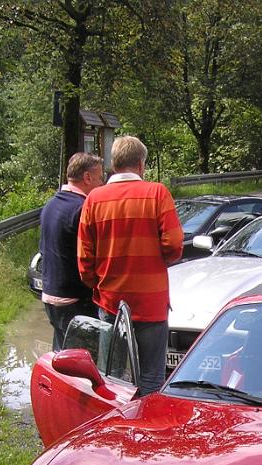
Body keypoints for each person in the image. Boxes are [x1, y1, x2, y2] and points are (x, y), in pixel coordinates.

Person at [77, 136, 183, 395]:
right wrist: (154, 262)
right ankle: (146, 427)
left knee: (110, 375)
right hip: (151, 303)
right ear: (141, 164)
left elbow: (84, 259)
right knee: (151, 376)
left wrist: (99, 283)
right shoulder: (157, 193)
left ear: (114, 164)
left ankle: (114, 427)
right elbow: (175, 245)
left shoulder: (94, 200)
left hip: (110, 301)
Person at [39, 152, 104, 350]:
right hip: (76, 300)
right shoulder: (83, 208)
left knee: (61, 357)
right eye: (100, 178)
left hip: (51, 296)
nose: (102, 184)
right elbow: (93, 256)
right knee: (83, 365)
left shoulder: (51, 205)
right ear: (87, 177)